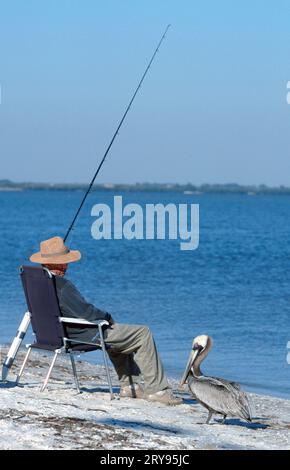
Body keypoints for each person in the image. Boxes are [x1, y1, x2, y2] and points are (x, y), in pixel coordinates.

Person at [30, 236, 182, 406]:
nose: (67, 265)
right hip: (80, 335)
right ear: (57, 264)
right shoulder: (62, 286)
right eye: (64, 262)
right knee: (142, 333)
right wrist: (107, 317)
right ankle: (158, 391)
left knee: (121, 336)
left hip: (56, 335)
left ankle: (129, 386)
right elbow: (87, 312)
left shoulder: (37, 283)